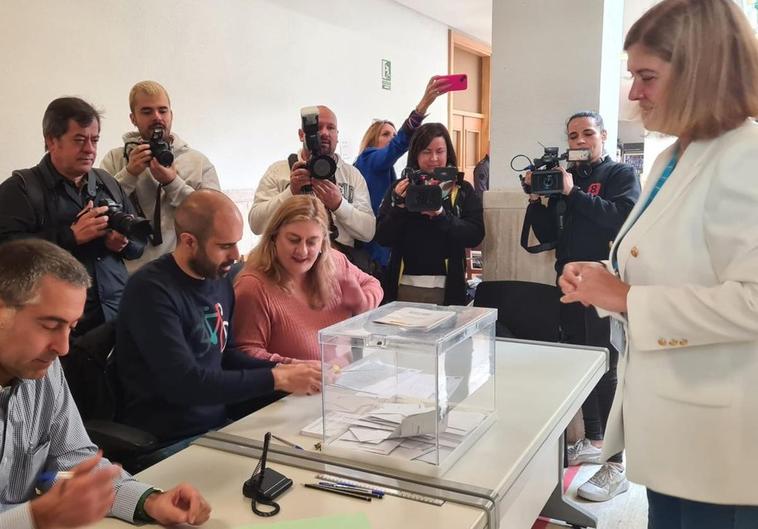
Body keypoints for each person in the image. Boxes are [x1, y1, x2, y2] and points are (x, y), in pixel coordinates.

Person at [558, 1, 758, 526]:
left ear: (704, 72)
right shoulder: (674, 157)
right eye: (633, 76)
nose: (633, 94)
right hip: (673, 428)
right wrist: (603, 277)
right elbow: (674, 264)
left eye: (647, 76)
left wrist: (626, 298)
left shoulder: (748, 157)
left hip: (723, 448)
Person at [0, 239, 210, 528]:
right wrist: (37, 517)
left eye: (71, 328)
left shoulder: (43, 369)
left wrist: (147, 501)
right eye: (49, 326)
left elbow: (69, 463)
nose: (63, 348)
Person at [116, 189, 322, 444]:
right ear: (189, 241)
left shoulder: (218, 278)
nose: (236, 255)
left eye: (236, 243)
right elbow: (185, 382)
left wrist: (287, 368)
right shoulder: (150, 291)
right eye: (225, 246)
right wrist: (277, 378)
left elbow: (225, 355)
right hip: (169, 438)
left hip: (220, 424)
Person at [523, 111, 640, 502]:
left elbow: (622, 220)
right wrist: (540, 198)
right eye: (574, 135)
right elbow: (547, 234)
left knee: (605, 366)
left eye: (588, 133)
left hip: (605, 282)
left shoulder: (619, 175)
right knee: (580, 361)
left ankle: (616, 465)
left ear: (603, 136)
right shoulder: (563, 178)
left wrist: (573, 193)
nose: (580, 140)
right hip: (568, 281)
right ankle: (593, 439)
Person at [0, 97, 145, 336]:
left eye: (94, 140)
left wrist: (124, 244)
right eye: (79, 140)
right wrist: (70, 236)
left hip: (118, 318)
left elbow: (140, 240)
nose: (90, 149)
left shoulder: (108, 182)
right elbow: (6, 252)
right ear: (51, 141)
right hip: (57, 330)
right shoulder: (21, 189)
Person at [233, 195, 382, 363]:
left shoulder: (334, 261)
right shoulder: (253, 286)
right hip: (294, 387)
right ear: (274, 237)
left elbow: (373, 284)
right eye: (293, 240)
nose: (302, 251)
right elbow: (245, 353)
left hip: (343, 377)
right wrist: (297, 367)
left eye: (312, 242)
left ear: (323, 243)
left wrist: (363, 303)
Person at [101, 80, 220, 274]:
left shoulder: (198, 162)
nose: (157, 117)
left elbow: (215, 218)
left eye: (162, 110)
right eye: (147, 112)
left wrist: (173, 183)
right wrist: (129, 174)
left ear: (171, 114)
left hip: (185, 276)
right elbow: (101, 208)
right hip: (130, 277)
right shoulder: (115, 159)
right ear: (133, 118)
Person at [248, 105, 375, 268]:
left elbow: (368, 232)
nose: (324, 133)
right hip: (288, 269)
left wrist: (338, 205)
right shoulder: (278, 171)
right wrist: (290, 193)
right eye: (317, 127)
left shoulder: (352, 175)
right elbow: (256, 224)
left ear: (337, 135)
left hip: (338, 269)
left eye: (331, 128)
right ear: (302, 134)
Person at [375, 123, 484, 305]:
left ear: (448, 153)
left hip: (448, 286)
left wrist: (441, 215)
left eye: (440, 151)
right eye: (426, 151)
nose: (434, 158)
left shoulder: (461, 189)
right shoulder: (400, 188)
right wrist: (400, 206)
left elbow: (475, 235)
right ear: (415, 154)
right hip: (404, 284)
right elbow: (382, 237)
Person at [354, 77, 449, 269]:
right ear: (372, 139)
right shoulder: (368, 158)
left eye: (394, 134)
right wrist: (422, 107)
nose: (392, 139)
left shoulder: (385, 168)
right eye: (385, 134)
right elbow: (397, 147)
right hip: (374, 246)